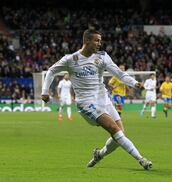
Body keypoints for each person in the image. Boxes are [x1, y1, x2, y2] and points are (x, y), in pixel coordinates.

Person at [41, 29, 152, 170]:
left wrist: (135, 83)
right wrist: (45, 91)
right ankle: (141, 159)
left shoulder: (102, 57)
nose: (100, 43)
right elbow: (51, 71)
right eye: (97, 40)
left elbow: (120, 74)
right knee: (114, 129)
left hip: (103, 98)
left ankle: (99, 154)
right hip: (86, 103)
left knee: (120, 134)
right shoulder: (70, 59)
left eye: (100, 40)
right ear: (87, 41)